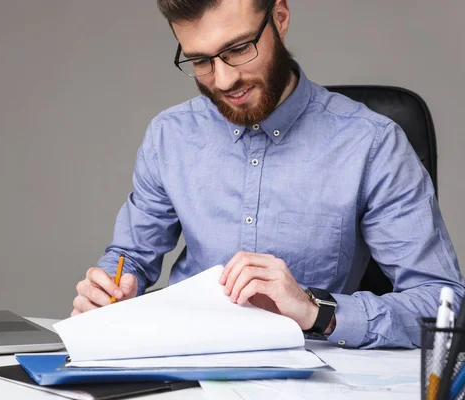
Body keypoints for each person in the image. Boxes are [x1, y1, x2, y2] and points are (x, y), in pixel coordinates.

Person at [71, 0, 464, 349]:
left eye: (239, 49)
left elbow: (443, 304)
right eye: (201, 61)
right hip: (187, 370)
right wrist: (110, 287)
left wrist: (315, 309)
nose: (224, 81)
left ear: (280, 16)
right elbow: (130, 257)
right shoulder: (169, 135)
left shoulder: (372, 143)